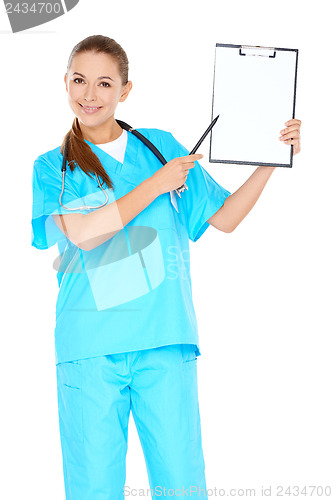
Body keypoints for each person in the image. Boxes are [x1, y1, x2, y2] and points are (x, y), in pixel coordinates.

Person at [31, 35, 301, 500]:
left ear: (125, 90)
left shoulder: (160, 148)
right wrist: (157, 185)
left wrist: (272, 159)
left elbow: (225, 218)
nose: (89, 95)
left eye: (104, 83)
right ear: (65, 83)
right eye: (79, 80)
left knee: (183, 489)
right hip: (90, 347)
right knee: (93, 490)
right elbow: (85, 233)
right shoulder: (51, 166)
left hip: (165, 340)